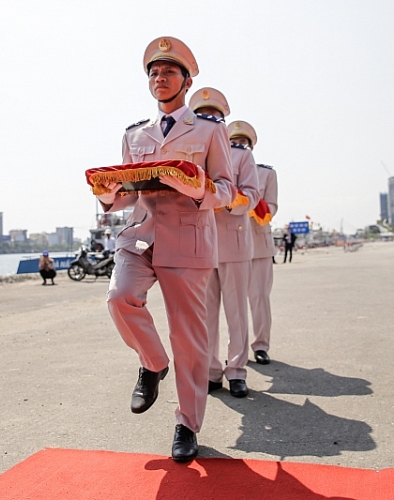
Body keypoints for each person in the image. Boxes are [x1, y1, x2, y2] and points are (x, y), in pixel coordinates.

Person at [95, 36, 236, 462]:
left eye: (169, 71)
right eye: (154, 72)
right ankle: (153, 363)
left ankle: (186, 424)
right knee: (120, 298)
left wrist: (198, 189)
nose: (160, 77)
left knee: (189, 339)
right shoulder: (134, 133)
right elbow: (125, 194)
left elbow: (227, 190)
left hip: (188, 238)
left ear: (186, 80)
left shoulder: (210, 131)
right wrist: (106, 194)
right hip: (140, 234)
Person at [189, 90, 261, 398]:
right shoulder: (189, 150)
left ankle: (237, 371)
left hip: (233, 243)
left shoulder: (241, 155)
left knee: (236, 313)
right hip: (200, 243)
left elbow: (252, 195)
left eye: (214, 115)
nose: (208, 119)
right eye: (202, 114)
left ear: (222, 119)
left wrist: (225, 200)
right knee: (205, 315)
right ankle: (211, 370)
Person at [228, 122, 279, 365]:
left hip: (258, 244)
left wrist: (249, 206)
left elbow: (272, 207)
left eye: (244, 142)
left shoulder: (266, 173)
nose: (239, 145)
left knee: (259, 297)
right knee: (233, 302)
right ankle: (237, 353)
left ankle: (260, 345)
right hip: (231, 245)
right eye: (234, 141)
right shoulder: (223, 171)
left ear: (251, 146)